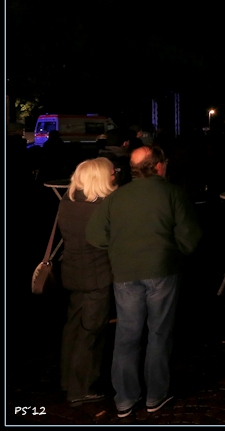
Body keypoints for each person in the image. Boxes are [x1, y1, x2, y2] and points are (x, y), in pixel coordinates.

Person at [85, 145, 202, 418]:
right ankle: (155, 395)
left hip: (125, 273)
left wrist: (118, 248)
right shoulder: (173, 193)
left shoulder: (117, 197)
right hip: (162, 270)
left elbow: (95, 234)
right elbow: (190, 237)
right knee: (159, 334)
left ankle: (125, 398)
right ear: (158, 165)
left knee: (127, 336)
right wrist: (175, 251)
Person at [59, 157, 117, 406]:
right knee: (91, 332)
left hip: (73, 273)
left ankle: (67, 379)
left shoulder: (67, 202)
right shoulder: (102, 208)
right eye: (112, 173)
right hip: (97, 275)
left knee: (73, 327)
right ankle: (81, 388)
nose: (115, 175)